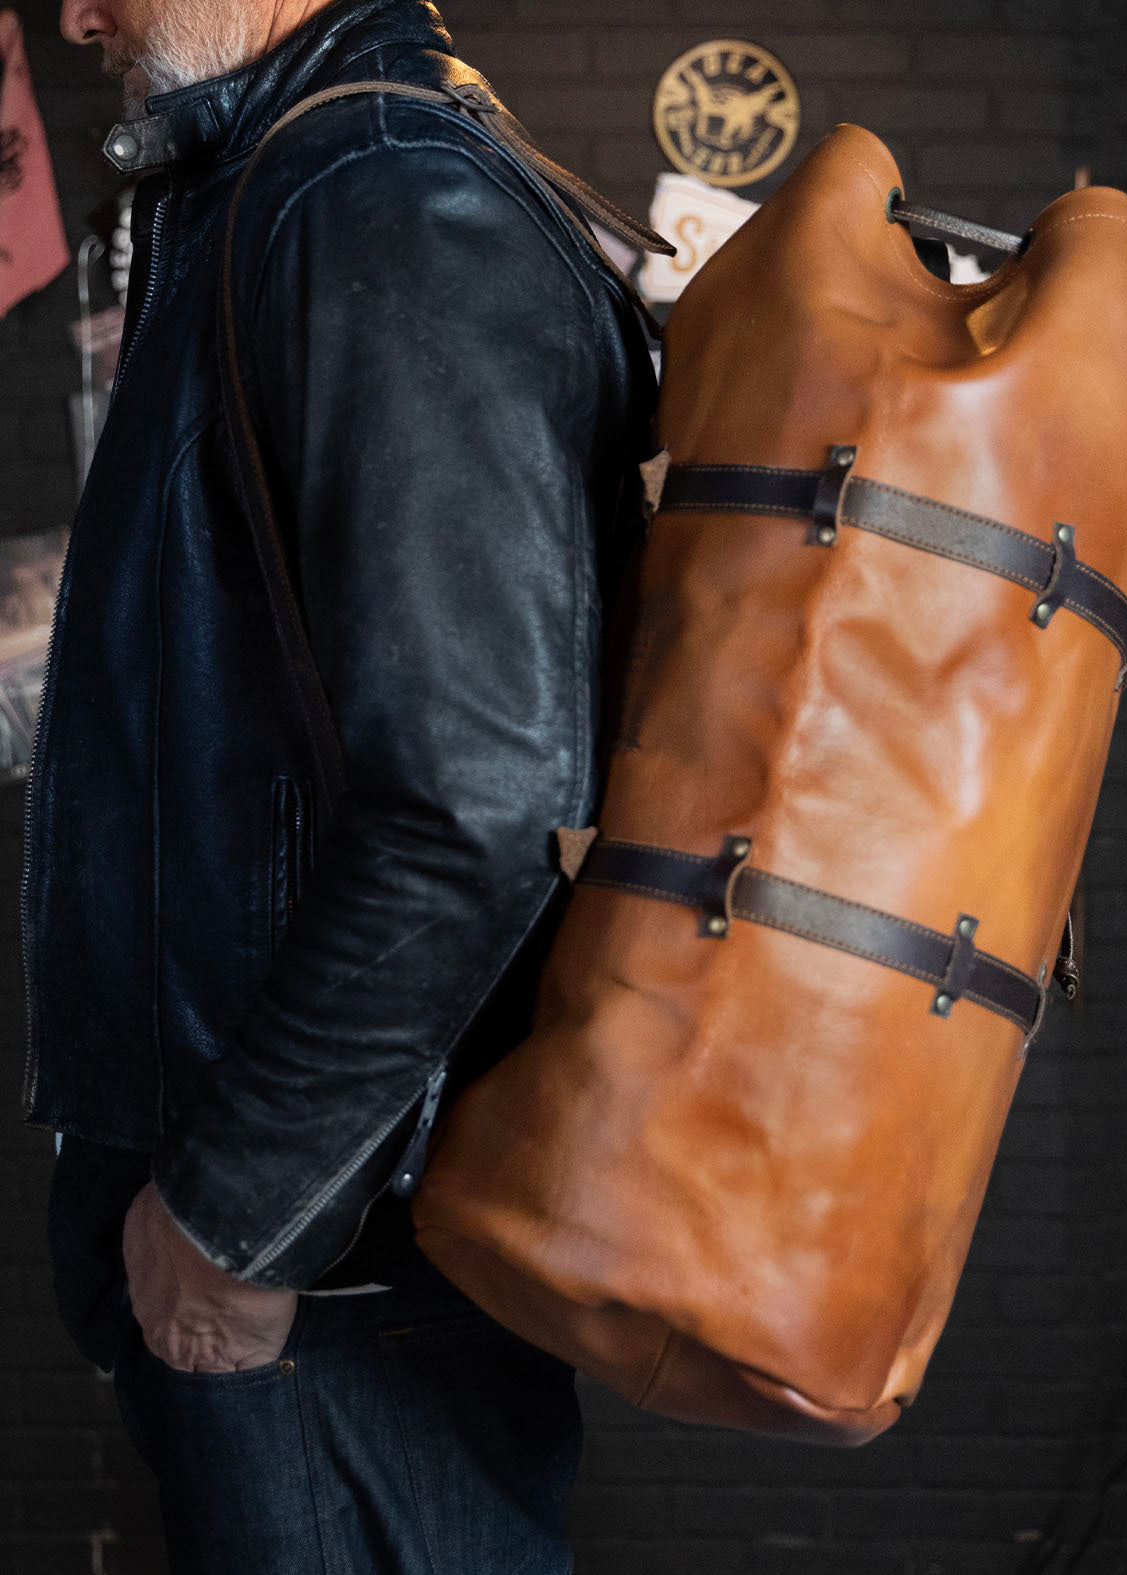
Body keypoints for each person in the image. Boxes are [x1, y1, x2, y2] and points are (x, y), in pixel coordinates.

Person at [26, 0, 657, 1567]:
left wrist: (240, 1212)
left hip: (324, 1286)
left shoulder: (379, 191)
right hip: (312, 1278)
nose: (80, 15)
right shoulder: (312, 182)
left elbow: (480, 801)